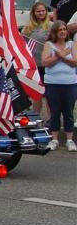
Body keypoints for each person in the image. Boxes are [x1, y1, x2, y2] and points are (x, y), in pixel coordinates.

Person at [41, 20, 77, 152]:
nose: (62, 32)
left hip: (69, 83)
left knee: (68, 112)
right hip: (53, 83)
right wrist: (59, 56)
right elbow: (45, 62)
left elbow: (75, 62)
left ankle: (69, 140)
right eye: (60, 30)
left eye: (64, 29)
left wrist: (62, 56)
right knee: (54, 112)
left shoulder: (72, 44)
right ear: (55, 32)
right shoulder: (49, 45)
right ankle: (54, 139)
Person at [22, 2, 52, 116]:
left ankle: (50, 118)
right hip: (34, 65)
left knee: (49, 94)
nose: (41, 13)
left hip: (48, 64)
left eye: (43, 11)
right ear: (33, 13)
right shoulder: (28, 28)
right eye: (38, 11)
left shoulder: (51, 26)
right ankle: (36, 117)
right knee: (36, 93)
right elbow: (22, 44)